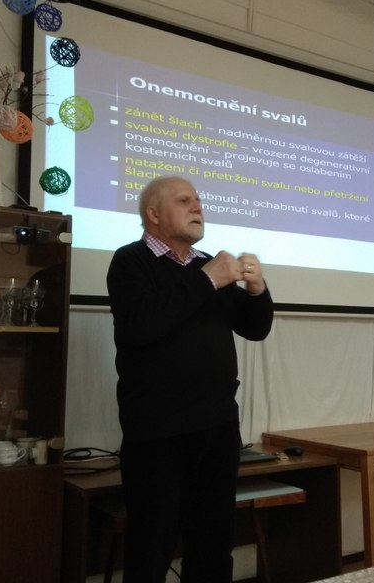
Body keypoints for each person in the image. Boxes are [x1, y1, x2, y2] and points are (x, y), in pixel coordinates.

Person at [107, 176, 274, 583]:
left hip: (217, 426)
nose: (198, 206)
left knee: (213, 543)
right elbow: (141, 325)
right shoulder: (131, 261)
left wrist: (257, 290)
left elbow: (255, 329)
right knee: (151, 545)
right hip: (157, 430)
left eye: (198, 200)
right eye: (185, 201)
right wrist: (207, 280)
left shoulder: (207, 265)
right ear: (153, 213)